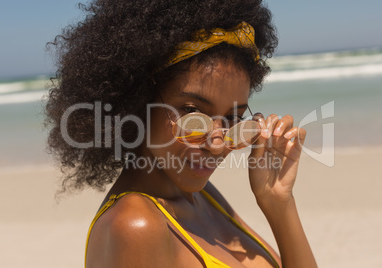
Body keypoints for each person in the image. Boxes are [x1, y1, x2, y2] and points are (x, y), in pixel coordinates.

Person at [45, 0, 317, 267]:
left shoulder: (201, 194)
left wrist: (278, 202)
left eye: (233, 119)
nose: (217, 143)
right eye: (192, 112)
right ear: (139, 100)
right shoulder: (136, 227)